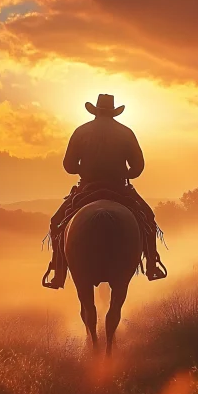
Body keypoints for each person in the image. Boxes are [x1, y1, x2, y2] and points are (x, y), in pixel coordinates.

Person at [42, 94, 167, 289]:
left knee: (57, 223)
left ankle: (58, 272)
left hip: (87, 187)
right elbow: (138, 167)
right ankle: (152, 265)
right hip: (118, 187)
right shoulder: (126, 132)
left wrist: (82, 168)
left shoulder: (81, 131)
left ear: (96, 110)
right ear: (113, 111)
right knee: (148, 220)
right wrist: (124, 172)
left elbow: (68, 165)